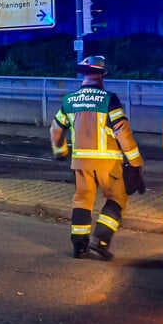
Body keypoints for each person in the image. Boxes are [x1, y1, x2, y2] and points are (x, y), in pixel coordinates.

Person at [50, 55, 144, 260]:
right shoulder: (109, 99)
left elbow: (56, 128)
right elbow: (123, 132)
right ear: (101, 76)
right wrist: (135, 163)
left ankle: (79, 244)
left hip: (80, 162)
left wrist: (60, 151)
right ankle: (100, 241)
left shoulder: (69, 101)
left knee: (82, 200)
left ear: (83, 75)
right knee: (117, 198)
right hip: (107, 162)